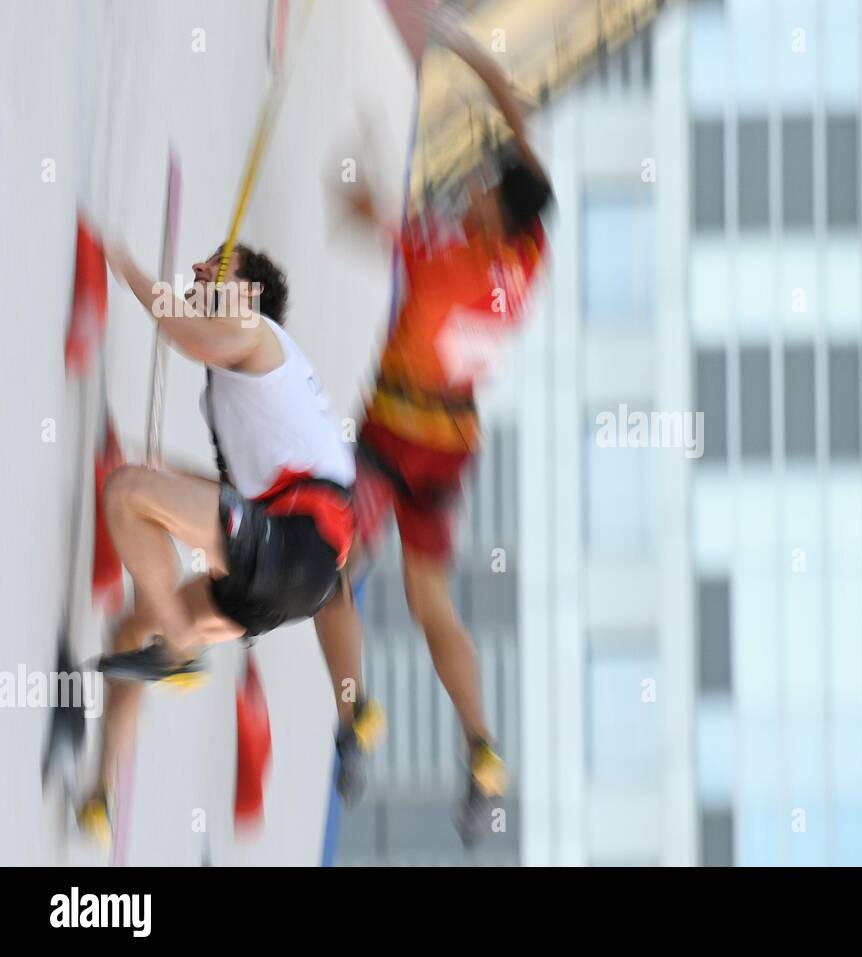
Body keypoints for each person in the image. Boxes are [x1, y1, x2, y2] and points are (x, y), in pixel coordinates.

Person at [313, 10, 553, 842]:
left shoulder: (445, 261)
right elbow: (519, 145)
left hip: (393, 437)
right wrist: (475, 59)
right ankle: (482, 748)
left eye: (486, 187)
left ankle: (356, 722)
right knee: (432, 604)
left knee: (330, 572)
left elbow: (372, 221)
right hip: (448, 451)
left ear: (496, 215)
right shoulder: (524, 263)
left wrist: (353, 195)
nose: (478, 182)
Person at [77, 242, 369, 843]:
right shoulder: (240, 391)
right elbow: (233, 502)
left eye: (219, 265)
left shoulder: (254, 329)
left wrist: (121, 259)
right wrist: (165, 476)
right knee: (136, 629)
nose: (201, 271)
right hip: (295, 575)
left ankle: (182, 649)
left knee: (126, 493)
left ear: (247, 292)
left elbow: (183, 332)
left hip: (297, 544)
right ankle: (102, 792)